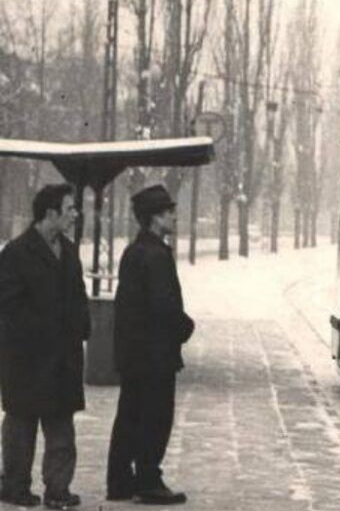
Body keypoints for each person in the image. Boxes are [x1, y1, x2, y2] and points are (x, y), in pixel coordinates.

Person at [0, 184, 89, 509]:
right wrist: (45, 330)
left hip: (63, 357)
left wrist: (82, 326)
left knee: (61, 426)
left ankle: (58, 489)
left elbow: (78, 296)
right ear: (50, 213)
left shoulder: (69, 250)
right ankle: (14, 486)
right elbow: (8, 305)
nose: (74, 215)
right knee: (21, 425)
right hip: (27, 357)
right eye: (69, 209)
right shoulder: (16, 253)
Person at [106, 185, 194, 505]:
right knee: (156, 417)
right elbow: (163, 306)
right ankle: (148, 479)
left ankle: (118, 480)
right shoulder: (156, 255)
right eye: (169, 211)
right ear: (155, 218)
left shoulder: (133, 251)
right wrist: (186, 327)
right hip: (155, 354)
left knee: (129, 414)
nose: (174, 216)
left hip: (133, 352)